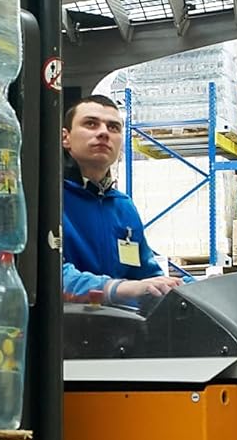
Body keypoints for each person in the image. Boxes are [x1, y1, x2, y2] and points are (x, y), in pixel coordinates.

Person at [62, 93, 182, 306]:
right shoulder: (47, 200)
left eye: (113, 127)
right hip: (63, 323)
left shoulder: (123, 207)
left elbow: (146, 275)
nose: (103, 133)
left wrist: (188, 288)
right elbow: (48, 276)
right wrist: (114, 289)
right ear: (66, 138)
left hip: (119, 323)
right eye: (91, 124)